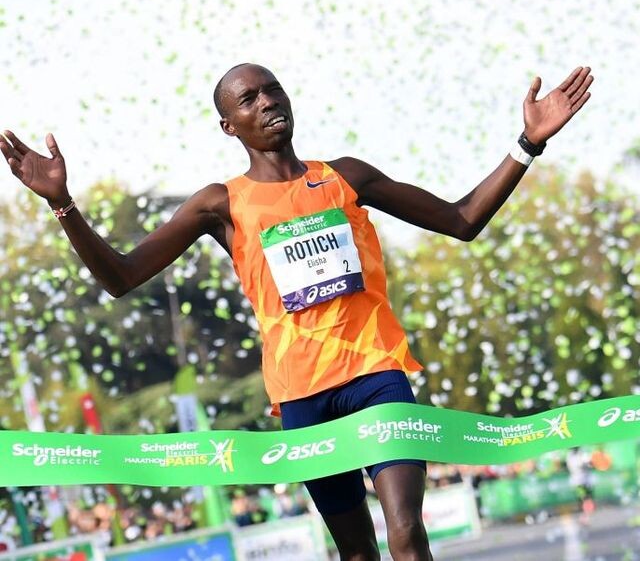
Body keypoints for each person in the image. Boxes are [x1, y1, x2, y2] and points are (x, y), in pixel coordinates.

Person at [1, 63, 593, 560]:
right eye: (248, 99)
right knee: (356, 552)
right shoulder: (219, 204)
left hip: (375, 376)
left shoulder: (346, 176)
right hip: (303, 399)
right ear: (228, 125)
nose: (267, 102)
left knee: (407, 535)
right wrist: (63, 205)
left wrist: (528, 144)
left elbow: (461, 220)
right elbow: (121, 277)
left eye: (273, 90)